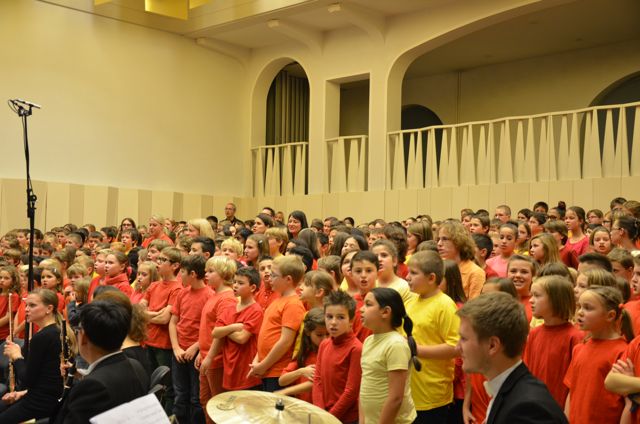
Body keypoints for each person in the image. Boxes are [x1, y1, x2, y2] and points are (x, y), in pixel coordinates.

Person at [456, 292, 567, 424]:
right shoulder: (509, 392)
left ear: (492, 345)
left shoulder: (526, 410)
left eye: (464, 339)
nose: (457, 347)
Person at [53, 299, 149, 423]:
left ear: (84, 337)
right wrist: (82, 375)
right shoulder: (135, 365)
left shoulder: (91, 387)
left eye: (78, 331)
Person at [564, 286, 633, 423]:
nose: (580, 312)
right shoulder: (579, 349)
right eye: (579, 307)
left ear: (610, 315)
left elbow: (629, 403)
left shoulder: (623, 351)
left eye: (588, 308)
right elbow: (572, 391)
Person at [405, 251, 459, 423]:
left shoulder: (445, 305)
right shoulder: (410, 301)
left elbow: (455, 347)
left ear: (431, 278)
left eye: (413, 273)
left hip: (432, 395)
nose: (407, 277)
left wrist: (416, 350)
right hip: (410, 391)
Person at [0, 289, 64, 423]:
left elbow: (27, 380)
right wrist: (23, 393)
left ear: (49, 308)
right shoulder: (57, 331)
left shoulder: (42, 337)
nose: (27, 309)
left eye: (32, 305)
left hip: (40, 402)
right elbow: (45, 377)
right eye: (26, 305)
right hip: (47, 397)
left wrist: (17, 356)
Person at [359, 287, 419, 423]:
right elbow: (364, 387)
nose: (361, 309)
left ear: (385, 312)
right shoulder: (368, 341)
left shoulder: (395, 345)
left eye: (368, 304)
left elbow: (396, 398)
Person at [523, 276, 583, 408]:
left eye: (537, 295)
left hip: (558, 408)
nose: (531, 300)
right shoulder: (534, 333)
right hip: (533, 404)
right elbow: (527, 371)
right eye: (531, 295)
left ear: (556, 300)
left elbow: (575, 382)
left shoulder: (575, 337)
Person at [250, 255, 306, 392]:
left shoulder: (293, 304)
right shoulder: (278, 300)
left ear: (288, 279)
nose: (270, 278)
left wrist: (263, 365)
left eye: (274, 275)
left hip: (278, 371)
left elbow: (285, 341)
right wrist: (258, 361)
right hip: (267, 368)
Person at [169, 255, 212, 424]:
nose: (180, 276)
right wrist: (176, 348)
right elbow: (173, 322)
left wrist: (195, 347)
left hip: (196, 354)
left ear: (193, 274)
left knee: (196, 398)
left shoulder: (209, 295)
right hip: (179, 351)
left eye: (182, 272)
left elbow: (210, 330)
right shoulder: (182, 293)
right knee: (180, 394)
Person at [195, 256, 237, 424]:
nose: (206, 274)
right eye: (206, 271)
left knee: (217, 405)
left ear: (223, 274)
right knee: (205, 401)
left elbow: (221, 333)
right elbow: (208, 328)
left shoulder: (227, 298)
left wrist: (210, 357)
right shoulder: (214, 294)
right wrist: (202, 353)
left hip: (216, 359)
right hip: (206, 356)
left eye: (211, 271)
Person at [312, 291, 362, 422]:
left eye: (340, 317)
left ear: (351, 321)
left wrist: (329, 418)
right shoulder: (324, 344)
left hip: (345, 418)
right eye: (329, 317)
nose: (333, 322)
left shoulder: (356, 348)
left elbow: (351, 391)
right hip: (324, 415)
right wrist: (320, 412)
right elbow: (317, 380)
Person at [278, 308, 326, 402]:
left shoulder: (329, 354)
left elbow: (317, 383)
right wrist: (301, 371)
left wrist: (285, 392)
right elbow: (282, 381)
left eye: (328, 334)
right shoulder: (305, 354)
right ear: (308, 332)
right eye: (319, 335)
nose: (325, 339)